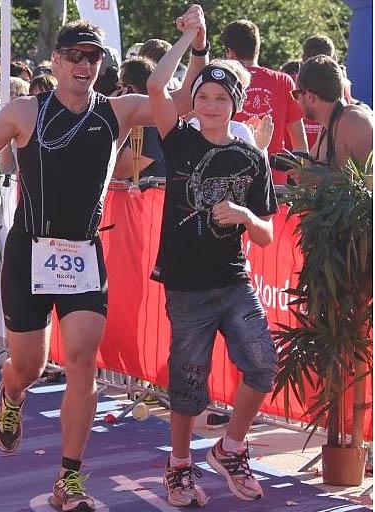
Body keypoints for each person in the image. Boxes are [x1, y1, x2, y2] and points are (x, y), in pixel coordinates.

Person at [0, 8, 208, 510]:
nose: (84, 65)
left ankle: (68, 478)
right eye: (75, 56)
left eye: (93, 57)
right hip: (30, 250)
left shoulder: (117, 111)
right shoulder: (26, 111)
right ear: (56, 60)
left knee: (82, 362)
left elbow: (181, 100)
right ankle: (12, 394)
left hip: (83, 253)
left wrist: (196, 45)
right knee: (28, 366)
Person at [147, 12, 278, 507]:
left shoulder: (253, 158)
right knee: (188, 384)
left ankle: (231, 448)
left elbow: (266, 235)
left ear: (235, 105)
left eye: (221, 98)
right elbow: (157, 86)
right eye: (203, 96)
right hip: (186, 284)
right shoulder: (178, 139)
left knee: (263, 365)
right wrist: (189, 36)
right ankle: (179, 465)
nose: (210, 105)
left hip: (233, 280)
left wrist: (245, 215)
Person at [220, 20, 308, 184]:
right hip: (273, 182)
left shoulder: (220, 81)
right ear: (257, 49)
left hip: (228, 180)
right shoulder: (284, 81)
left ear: (229, 52)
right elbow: (300, 145)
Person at [288, 55, 373, 185]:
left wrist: (318, 178)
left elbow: (371, 180)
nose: (296, 101)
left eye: (296, 94)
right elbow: (314, 167)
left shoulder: (354, 122)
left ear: (310, 97)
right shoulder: (327, 126)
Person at [112, 57, 167, 180]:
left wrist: (114, 114)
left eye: (119, 86)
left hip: (147, 192)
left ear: (128, 89)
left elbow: (119, 172)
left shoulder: (150, 123)